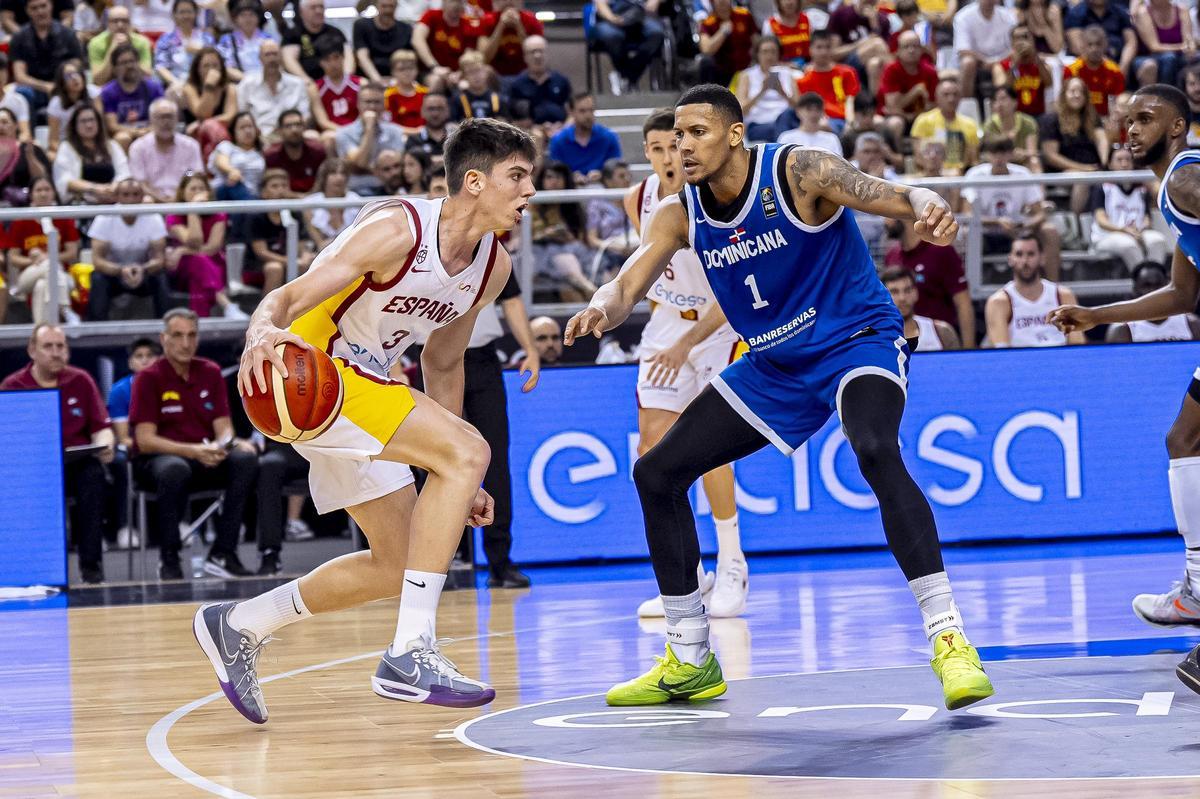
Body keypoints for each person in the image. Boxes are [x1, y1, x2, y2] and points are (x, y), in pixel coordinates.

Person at [565, 85, 993, 710]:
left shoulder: (796, 170)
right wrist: (603, 305)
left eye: (696, 133)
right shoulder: (679, 211)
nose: (682, 146)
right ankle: (688, 657)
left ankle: (949, 638)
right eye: (675, 136)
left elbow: (885, 194)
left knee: (874, 447)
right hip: (775, 362)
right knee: (656, 473)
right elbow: (630, 278)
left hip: (855, 339)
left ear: (734, 135)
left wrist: (926, 200)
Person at [194, 118, 536, 724]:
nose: (530, 190)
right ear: (475, 182)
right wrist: (258, 329)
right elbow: (295, 295)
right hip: (305, 370)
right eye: (518, 176)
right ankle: (411, 653)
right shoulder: (398, 229)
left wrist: (452, 467)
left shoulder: (493, 269)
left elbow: (444, 359)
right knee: (466, 450)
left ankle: (240, 623)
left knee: (399, 560)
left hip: (367, 381)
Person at [1047, 86, 1200, 692]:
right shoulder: (1174, 193)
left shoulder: (1185, 181)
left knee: (1185, 438)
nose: (1130, 129)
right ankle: (1194, 588)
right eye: (1125, 121)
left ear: (1179, 127)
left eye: (1146, 119)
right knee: (1184, 438)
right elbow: (1183, 297)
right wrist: (1095, 316)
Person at [623, 108, 748, 618]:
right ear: (647, 153)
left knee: (711, 445)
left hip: (720, 324)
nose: (667, 155)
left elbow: (734, 288)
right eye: (656, 148)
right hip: (668, 322)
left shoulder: (713, 196)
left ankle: (734, 562)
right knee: (652, 447)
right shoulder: (637, 198)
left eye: (673, 145)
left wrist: (688, 342)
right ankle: (689, 573)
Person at [131, 308, 258, 581]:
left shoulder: (210, 372)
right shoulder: (148, 377)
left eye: (191, 335)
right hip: (161, 459)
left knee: (245, 459)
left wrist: (224, 446)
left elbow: (225, 429)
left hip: (204, 455)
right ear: (163, 339)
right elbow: (145, 440)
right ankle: (169, 558)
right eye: (178, 336)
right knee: (174, 469)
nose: (185, 343)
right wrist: (193, 451)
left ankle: (223, 552)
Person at [0, 325, 114, 584]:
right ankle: (38, 570)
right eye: (48, 347)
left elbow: (101, 427)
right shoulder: (13, 385)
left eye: (60, 347)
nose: (55, 353)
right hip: (33, 468)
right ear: (32, 351)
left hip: (76, 462)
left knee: (95, 475)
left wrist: (105, 444)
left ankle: (91, 567)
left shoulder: (81, 380)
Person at [962, 135, 1062, 279]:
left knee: (1049, 231)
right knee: (967, 233)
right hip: (984, 233)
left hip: (1018, 232)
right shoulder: (974, 175)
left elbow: (1039, 213)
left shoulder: (1023, 174)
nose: (998, 157)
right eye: (994, 152)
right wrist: (996, 222)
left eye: (1003, 152)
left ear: (1011, 154)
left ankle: (1054, 290)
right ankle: (969, 291)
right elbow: (967, 214)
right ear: (987, 155)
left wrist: (1024, 225)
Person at [87, 178, 171, 320]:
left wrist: (142, 269)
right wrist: (121, 270)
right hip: (113, 273)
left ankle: (166, 324)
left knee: (161, 277)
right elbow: (97, 261)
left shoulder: (153, 217)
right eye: (126, 195)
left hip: (143, 272)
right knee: (98, 278)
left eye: (135, 194)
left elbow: (159, 259)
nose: (131, 199)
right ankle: (96, 329)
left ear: (142, 196)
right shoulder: (104, 217)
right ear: (117, 197)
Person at [884, 217, 975, 346]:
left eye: (888, 215)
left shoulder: (941, 251)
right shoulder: (892, 255)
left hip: (938, 341)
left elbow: (963, 303)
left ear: (904, 216)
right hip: (900, 341)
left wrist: (968, 350)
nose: (885, 222)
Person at [106, 336, 161, 549]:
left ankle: (184, 523)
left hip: (163, 447)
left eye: (150, 356)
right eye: (139, 356)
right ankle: (125, 526)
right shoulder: (120, 390)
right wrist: (148, 444)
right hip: (133, 449)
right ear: (130, 362)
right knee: (120, 463)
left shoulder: (166, 384)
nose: (145, 361)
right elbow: (123, 438)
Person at [165, 172, 243, 318]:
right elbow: (195, 241)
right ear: (183, 192)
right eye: (193, 189)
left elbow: (212, 248)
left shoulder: (218, 213)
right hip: (183, 268)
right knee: (199, 261)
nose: (197, 193)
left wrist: (182, 250)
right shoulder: (173, 215)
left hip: (213, 262)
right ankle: (227, 305)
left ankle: (199, 320)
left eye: (201, 189)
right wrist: (193, 210)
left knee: (200, 266)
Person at [985, 232, 1083, 347]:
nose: (1025, 261)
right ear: (1010, 259)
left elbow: (1077, 344)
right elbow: (1001, 351)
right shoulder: (999, 301)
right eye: (1019, 254)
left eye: (1031, 254)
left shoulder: (1063, 295)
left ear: (1042, 258)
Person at [7, 176, 78, 324]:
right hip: (29, 274)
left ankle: (42, 330)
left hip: (62, 275)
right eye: (39, 190)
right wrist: (35, 260)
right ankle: (65, 308)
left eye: (47, 189)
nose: (43, 194)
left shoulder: (64, 218)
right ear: (31, 194)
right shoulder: (20, 220)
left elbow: (72, 253)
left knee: (42, 286)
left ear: (54, 192)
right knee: (48, 266)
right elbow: (13, 258)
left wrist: (48, 257)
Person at [1089, 144, 1170, 270]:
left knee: (1157, 240)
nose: (1125, 164)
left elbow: (1147, 218)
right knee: (1129, 244)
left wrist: (1140, 229)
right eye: (1119, 160)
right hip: (1108, 235)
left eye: (1128, 159)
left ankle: (1156, 278)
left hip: (1137, 232)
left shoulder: (1142, 188)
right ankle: (1143, 281)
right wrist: (1124, 230)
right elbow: (1101, 220)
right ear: (1110, 164)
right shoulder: (1103, 187)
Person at [1040, 76, 1108, 213]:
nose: (1077, 95)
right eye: (1072, 91)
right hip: (1063, 171)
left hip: (1092, 168)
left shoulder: (1092, 118)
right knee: (1082, 179)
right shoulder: (1052, 120)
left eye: (1081, 92)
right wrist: (1083, 168)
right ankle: (1076, 223)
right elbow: (1050, 156)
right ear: (1064, 94)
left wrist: (1104, 162)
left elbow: (1102, 140)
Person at [9, 0, 84, 117]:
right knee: (22, 93)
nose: (40, 11)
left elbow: (77, 68)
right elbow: (20, 76)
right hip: (35, 89)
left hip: (64, 86)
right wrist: (46, 86)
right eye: (34, 8)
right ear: (27, 11)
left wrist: (60, 85)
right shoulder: (19, 37)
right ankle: (29, 134)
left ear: (51, 6)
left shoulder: (68, 34)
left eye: (43, 6)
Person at [336, 82, 407, 194]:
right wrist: (369, 129)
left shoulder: (395, 132)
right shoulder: (344, 133)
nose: (372, 107)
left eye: (377, 102)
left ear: (384, 105)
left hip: (391, 189)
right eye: (368, 102)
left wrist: (369, 169)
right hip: (357, 192)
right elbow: (360, 163)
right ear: (358, 104)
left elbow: (396, 166)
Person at [128, 98, 204, 203]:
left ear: (177, 119)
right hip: (152, 199)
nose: (166, 122)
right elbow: (141, 182)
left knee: (199, 197)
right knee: (146, 201)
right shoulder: (138, 147)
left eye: (170, 116)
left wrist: (180, 196)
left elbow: (194, 175)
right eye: (161, 117)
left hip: (184, 199)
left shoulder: (191, 145)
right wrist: (162, 200)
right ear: (151, 120)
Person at [53, 103, 130, 205]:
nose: (89, 125)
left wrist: (114, 187)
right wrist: (95, 189)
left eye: (92, 120)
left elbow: (124, 172)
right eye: (83, 121)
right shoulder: (66, 148)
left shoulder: (112, 145)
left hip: (113, 201)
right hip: (81, 204)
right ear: (74, 125)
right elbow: (65, 181)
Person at [1105, 261, 1200, 342]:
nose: (1154, 291)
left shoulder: (1191, 323)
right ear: (1135, 290)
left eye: (1158, 285)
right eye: (1147, 285)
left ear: (1168, 286)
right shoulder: (1122, 329)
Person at [236, 40, 310, 138]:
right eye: (267, 55)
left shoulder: (297, 84)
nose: (272, 59)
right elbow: (241, 117)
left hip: (292, 136)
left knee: (313, 137)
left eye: (275, 54)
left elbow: (305, 116)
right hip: (259, 137)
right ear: (260, 58)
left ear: (281, 57)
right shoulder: (247, 84)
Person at [100, 43, 166, 150]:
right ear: (115, 69)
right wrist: (135, 132)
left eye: (132, 61)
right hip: (124, 133)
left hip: (150, 130)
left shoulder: (154, 87)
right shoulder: (108, 92)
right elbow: (112, 125)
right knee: (122, 138)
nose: (129, 66)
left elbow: (162, 116)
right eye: (124, 63)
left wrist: (148, 130)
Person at [590, 0, 665, 92]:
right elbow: (600, 4)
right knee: (612, 36)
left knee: (657, 33)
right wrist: (613, 18)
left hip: (642, 16)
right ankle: (629, 77)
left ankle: (626, 75)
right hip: (611, 17)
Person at [878, 30, 939, 144]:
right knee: (895, 124)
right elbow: (893, 106)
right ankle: (897, 158)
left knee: (937, 122)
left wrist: (917, 114)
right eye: (906, 47)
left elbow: (933, 105)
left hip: (921, 116)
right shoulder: (891, 70)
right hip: (895, 117)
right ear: (898, 51)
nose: (911, 50)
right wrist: (915, 91)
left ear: (921, 50)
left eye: (915, 46)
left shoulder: (930, 72)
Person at [910, 75, 980, 174]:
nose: (951, 99)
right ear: (937, 97)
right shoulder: (923, 121)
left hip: (959, 176)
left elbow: (973, 159)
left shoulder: (970, 124)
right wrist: (940, 172)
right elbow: (918, 157)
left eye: (955, 94)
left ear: (960, 98)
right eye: (946, 95)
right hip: (932, 176)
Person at [795, 30, 860, 135]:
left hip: (842, 119)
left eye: (828, 47)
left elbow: (851, 100)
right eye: (819, 47)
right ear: (810, 50)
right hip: (816, 119)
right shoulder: (803, 80)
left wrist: (850, 121)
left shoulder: (847, 72)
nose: (824, 52)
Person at [548, 92, 621, 185]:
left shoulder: (609, 137)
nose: (588, 115)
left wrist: (602, 175)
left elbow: (617, 169)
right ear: (571, 112)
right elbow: (554, 172)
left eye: (591, 110)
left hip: (602, 190)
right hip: (569, 191)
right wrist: (570, 177)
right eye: (582, 111)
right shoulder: (558, 140)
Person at [882, 267, 961, 351]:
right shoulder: (871, 337)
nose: (902, 298)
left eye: (908, 290)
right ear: (882, 296)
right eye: (894, 292)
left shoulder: (942, 332)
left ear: (916, 293)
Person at [735, 36, 796, 143]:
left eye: (773, 52)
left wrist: (782, 92)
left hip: (785, 119)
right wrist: (762, 91)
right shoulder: (747, 75)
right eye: (765, 52)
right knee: (782, 129)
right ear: (757, 54)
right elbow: (740, 110)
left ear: (778, 54)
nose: (769, 56)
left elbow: (799, 107)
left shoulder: (787, 73)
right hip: (758, 125)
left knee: (786, 117)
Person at [953, 0, 1017, 101]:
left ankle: (1007, 106)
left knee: (1018, 58)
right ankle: (967, 106)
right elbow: (963, 50)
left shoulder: (1009, 16)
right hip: (977, 62)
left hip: (1003, 60)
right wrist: (986, 61)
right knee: (967, 62)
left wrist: (998, 62)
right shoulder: (962, 17)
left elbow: (1015, 46)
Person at [282, 0, 354, 84]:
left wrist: (346, 79)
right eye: (313, 7)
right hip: (306, 85)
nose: (318, 11)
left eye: (321, 7)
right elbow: (289, 61)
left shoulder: (335, 32)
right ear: (301, 12)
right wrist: (308, 82)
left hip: (336, 83)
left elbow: (348, 57)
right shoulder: (292, 34)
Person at [1064, 25, 1127, 120]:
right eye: (1090, 44)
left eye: (1098, 44)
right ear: (1083, 46)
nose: (1094, 49)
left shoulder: (1115, 71)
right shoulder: (1071, 70)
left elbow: (1118, 102)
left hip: (1106, 120)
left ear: (1105, 45)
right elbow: (1064, 100)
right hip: (1078, 118)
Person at [506, 36, 570, 128]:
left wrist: (563, 128)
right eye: (532, 52)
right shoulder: (517, 85)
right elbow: (511, 120)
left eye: (541, 51)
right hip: (530, 132)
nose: (537, 56)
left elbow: (572, 114)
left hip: (559, 132)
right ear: (525, 57)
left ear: (547, 54)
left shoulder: (562, 81)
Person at [412, 0, 483, 84]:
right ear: (443, 3)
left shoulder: (468, 25)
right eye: (452, 1)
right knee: (436, 81)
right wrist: (434, 67)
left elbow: (468, 55)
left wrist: (459, 73)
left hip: (457, 74)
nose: (456, 5)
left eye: (460, 2)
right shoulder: (431, 15)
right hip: (429, 71)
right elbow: (417, 39)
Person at [153, 0, 215, 90]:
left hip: (203, 84)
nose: (186, 16)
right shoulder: (166, 39)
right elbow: (161, 67)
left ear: (196, 13)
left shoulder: (206, 38)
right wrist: (176, 83)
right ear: (174, 15)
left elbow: (215, 62)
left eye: (189, 12)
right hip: (177, 85)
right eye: (182, 12)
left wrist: (201, 51)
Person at [1065, 0, 1137, 77]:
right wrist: (1102, 63)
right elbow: (1076, 46)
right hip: (1088, 64)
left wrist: (1123, 66)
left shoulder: (1121, 12)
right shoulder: (1075, 13)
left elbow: (1131, 42)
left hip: (1119, 62)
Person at [45, 60, 100, 160]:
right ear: (62, 82)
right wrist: (70, 153)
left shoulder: (93, 93)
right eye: (68, 76)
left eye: (77, 73)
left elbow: (101, 125)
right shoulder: (56, 103)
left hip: (93, 142)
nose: (75, 78)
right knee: (51, 156)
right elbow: (53, 140)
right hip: (66, 145)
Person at [86, 4, 153, 86]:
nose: (120, 25)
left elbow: (147, 77)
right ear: (108, 24)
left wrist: (129, 51)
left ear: (130, 24)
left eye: (124, 21)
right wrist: (112, 51)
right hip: (106, 88)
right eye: (115, 21)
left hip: (136, 86)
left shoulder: (142, 42)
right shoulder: (96, 43)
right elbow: (98, 81)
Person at [1132, 0, 1194, 89]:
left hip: (1178, 54)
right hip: (1148, 56)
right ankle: (1165, 95)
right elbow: (1154, 46)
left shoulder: (1182, 10)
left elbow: (1188, 39)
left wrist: (1190, 46)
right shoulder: (1143, 12)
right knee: (1169, 58)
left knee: (1195, 57)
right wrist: (1182, 47)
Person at [263, 107, 326, 194]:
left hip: (314, 201)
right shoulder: (271, 156)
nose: (294, 130)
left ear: (304, 127)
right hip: (283, 203)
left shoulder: (318, 152)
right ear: (280, 130)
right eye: (288, 126)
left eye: (298, 125)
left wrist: (307, 200)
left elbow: (322, 184)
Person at [994, 25, 1050, 120]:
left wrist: (1036, 58)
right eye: (1017, 38)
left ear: (1033, 41)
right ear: (1011, 42)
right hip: (1013, 117)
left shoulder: (1041, 63)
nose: (1021, 42)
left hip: (1038, 115)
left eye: (1025, 37)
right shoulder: (1001, 66)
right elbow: (1003, 90)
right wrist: (1015, 64)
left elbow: (1049, 83)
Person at [304, 158, 360, 250]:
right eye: (333, 173)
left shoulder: (356, 201)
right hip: (319, 252)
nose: (339, 178)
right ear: (324, 177)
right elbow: (319, 243)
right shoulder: (310, 204)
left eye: (343, 174)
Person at [698, 0, 756, 89]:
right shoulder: (708, 23)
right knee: (706, 63)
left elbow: (756, 41)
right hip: (721, 72)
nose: (722, 1)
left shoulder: (744, 15)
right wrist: (722, 32)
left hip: (745, 69)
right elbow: (706, 49)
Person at [983, 84, 1041, 171]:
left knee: (1034, 161)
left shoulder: (1028, 122)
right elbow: (987, 153)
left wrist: (1022, 153)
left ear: (1015, 102)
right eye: (995, 100)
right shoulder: (990, 125)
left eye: (1003, 99)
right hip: (998, 162)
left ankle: (1038, 185)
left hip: (1022, 162)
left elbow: (1032, 152)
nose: (999, 104)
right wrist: (1005, 155)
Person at [478, 0, 542, 77]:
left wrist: (519, 26)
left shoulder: (532, 20)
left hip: (525, 75)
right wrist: (500, 26)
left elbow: (535, 56)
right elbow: (484, 59)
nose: (509, 2)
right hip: (496, 76)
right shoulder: (486, 21)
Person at [354, 0, 413, 83]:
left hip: (398, 78)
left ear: (396, 6)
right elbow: (362, 56)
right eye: (384, 6)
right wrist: (378, 80)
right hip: (369, 78)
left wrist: (398, 80)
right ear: (377, 5)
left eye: (390, 6)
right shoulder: (362, 25)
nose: (387, 11)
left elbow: (408, 58)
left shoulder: (406, 29)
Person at [218, 0, 275, 82]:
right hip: (240, 82)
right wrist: (247, 80)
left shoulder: (268, 39)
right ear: (236, 19)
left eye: (251, 15)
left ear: (258, 17)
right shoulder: (227, 40)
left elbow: (274, 63)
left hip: (266, 80)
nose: (248, 19)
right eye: (243, 15)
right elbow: (226, 68)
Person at [451, 50, 510, 121]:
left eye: (478, 70)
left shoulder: (499, 99)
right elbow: (452, 125)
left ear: (486, 71)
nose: (476, 76)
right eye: (470, 72)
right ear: (464, 76)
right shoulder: (458, 100)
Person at [777, 91, 842, 153]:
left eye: (818, 109)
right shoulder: (787, 138)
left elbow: (837, 164)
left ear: (822, 112)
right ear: (798, 112)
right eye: (809, 109)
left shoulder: (832, 139)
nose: (813, 114)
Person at [383, 49, 428, 130]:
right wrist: (415, 132)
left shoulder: (426, 93)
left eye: (411, 68)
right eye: (401, 69)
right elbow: (389, 124)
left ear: (417, 70)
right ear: (393, 72)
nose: (407, 73)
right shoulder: (388, 95)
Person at [405, 91, 452, 165]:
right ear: (422, 111)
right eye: (431, 109)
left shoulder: (457, 138)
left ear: (448, 111)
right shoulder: (414, 140)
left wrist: (427, 160)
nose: (435, 113)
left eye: (440, 108)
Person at [763, 0, 810, 64]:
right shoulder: (769, 24)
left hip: (807, 67)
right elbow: (768, 54)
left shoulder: (808, 19)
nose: (789, 2)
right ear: (778, 2)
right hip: (782, 69)